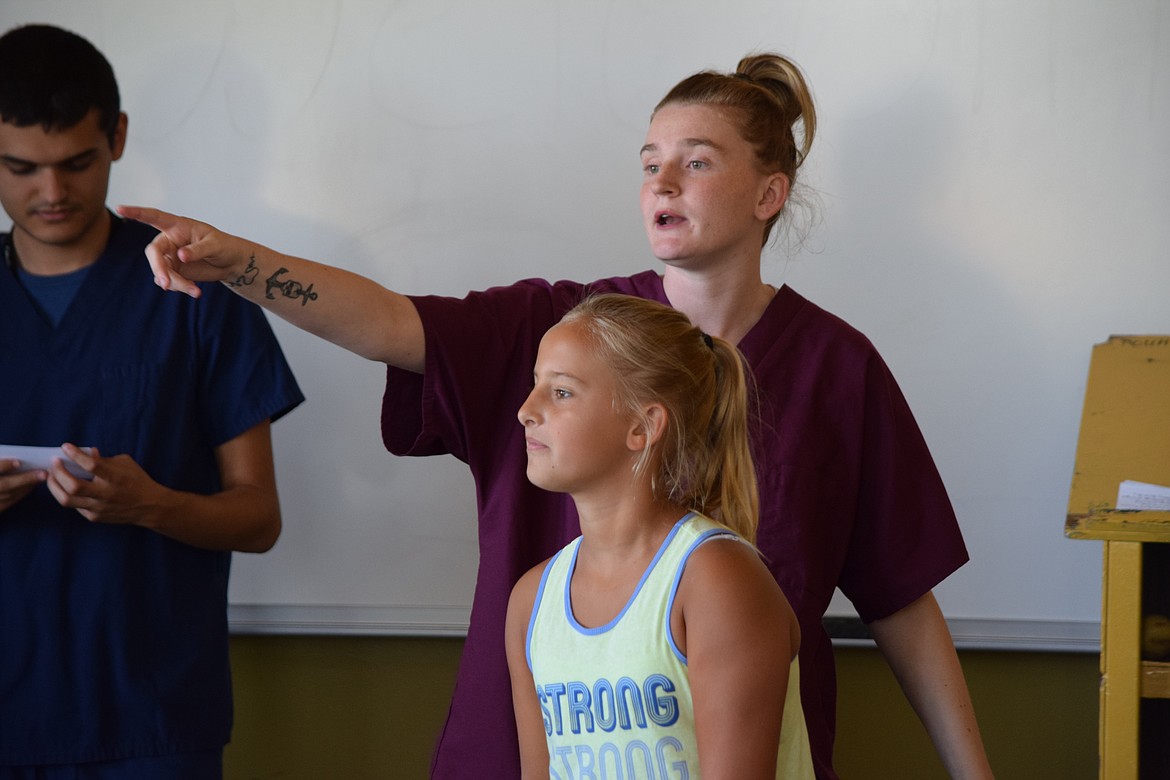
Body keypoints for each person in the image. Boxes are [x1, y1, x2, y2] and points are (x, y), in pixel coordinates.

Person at [120, 51, 992, 779]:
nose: (663, 178)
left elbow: (899, 595)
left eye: (697, 160)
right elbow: (388, 321)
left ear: (771, 194)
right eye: (650, 160)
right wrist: (239, 264)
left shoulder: (838, 369)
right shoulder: (560, 331)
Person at [0, 24, 303, 777]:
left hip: (153, 715)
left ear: (119, 137)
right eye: (19, 168)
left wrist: (154, 504)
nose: (51, 193)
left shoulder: (200, 297)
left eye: (77, 163)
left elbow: (259, 517)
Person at [505, 293, 814, 778]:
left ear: (642, 426)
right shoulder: (531, 601)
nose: (526, 409)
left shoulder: (714, 578)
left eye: (560, 392)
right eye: (534, 385)